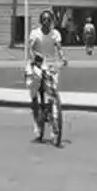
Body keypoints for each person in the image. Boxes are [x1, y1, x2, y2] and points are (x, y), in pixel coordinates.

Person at [26, 9, 66, 141]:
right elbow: (30, 48)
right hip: (37, 64)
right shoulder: (35, 34)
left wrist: (62, 58)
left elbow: (59, 47)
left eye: (49, 20)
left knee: (53, 90)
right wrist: (34, 57)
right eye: (44, 19)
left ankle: (54, 118)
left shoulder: (55, 34)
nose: (46, 22)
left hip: (50, 64)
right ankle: (37, 121)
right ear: (40, 21)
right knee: (34, 86)